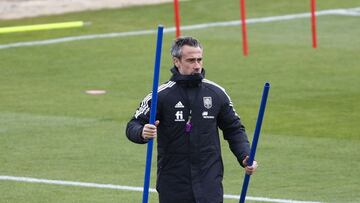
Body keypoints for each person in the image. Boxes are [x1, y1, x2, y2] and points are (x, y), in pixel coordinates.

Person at [126, 36, 257, 203]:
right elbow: (133, 125)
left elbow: (234, 129)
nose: (197, 65)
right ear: (176, 61)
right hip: (174, 185)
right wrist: (142, 132)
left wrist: (245, 154)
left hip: (209, 183)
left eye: (199, 60)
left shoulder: (216, 93)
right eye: (191, 60)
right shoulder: (161, 95)